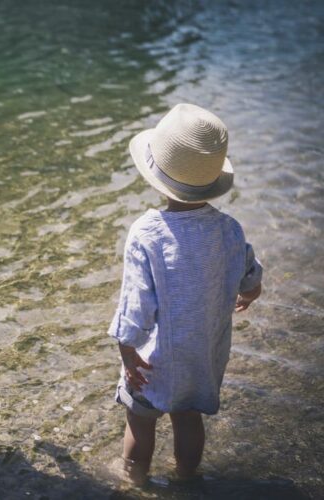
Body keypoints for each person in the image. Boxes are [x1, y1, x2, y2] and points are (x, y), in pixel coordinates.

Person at [108, 103, 263, 485]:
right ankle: (186, 478)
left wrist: (127, 350)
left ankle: (134, 478)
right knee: (188, 419)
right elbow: (250, 276)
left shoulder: (147, 233)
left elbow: (135, 307)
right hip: (202, 359)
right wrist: (250, 292)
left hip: (153, 361)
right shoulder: (230, 229)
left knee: (140, 422)